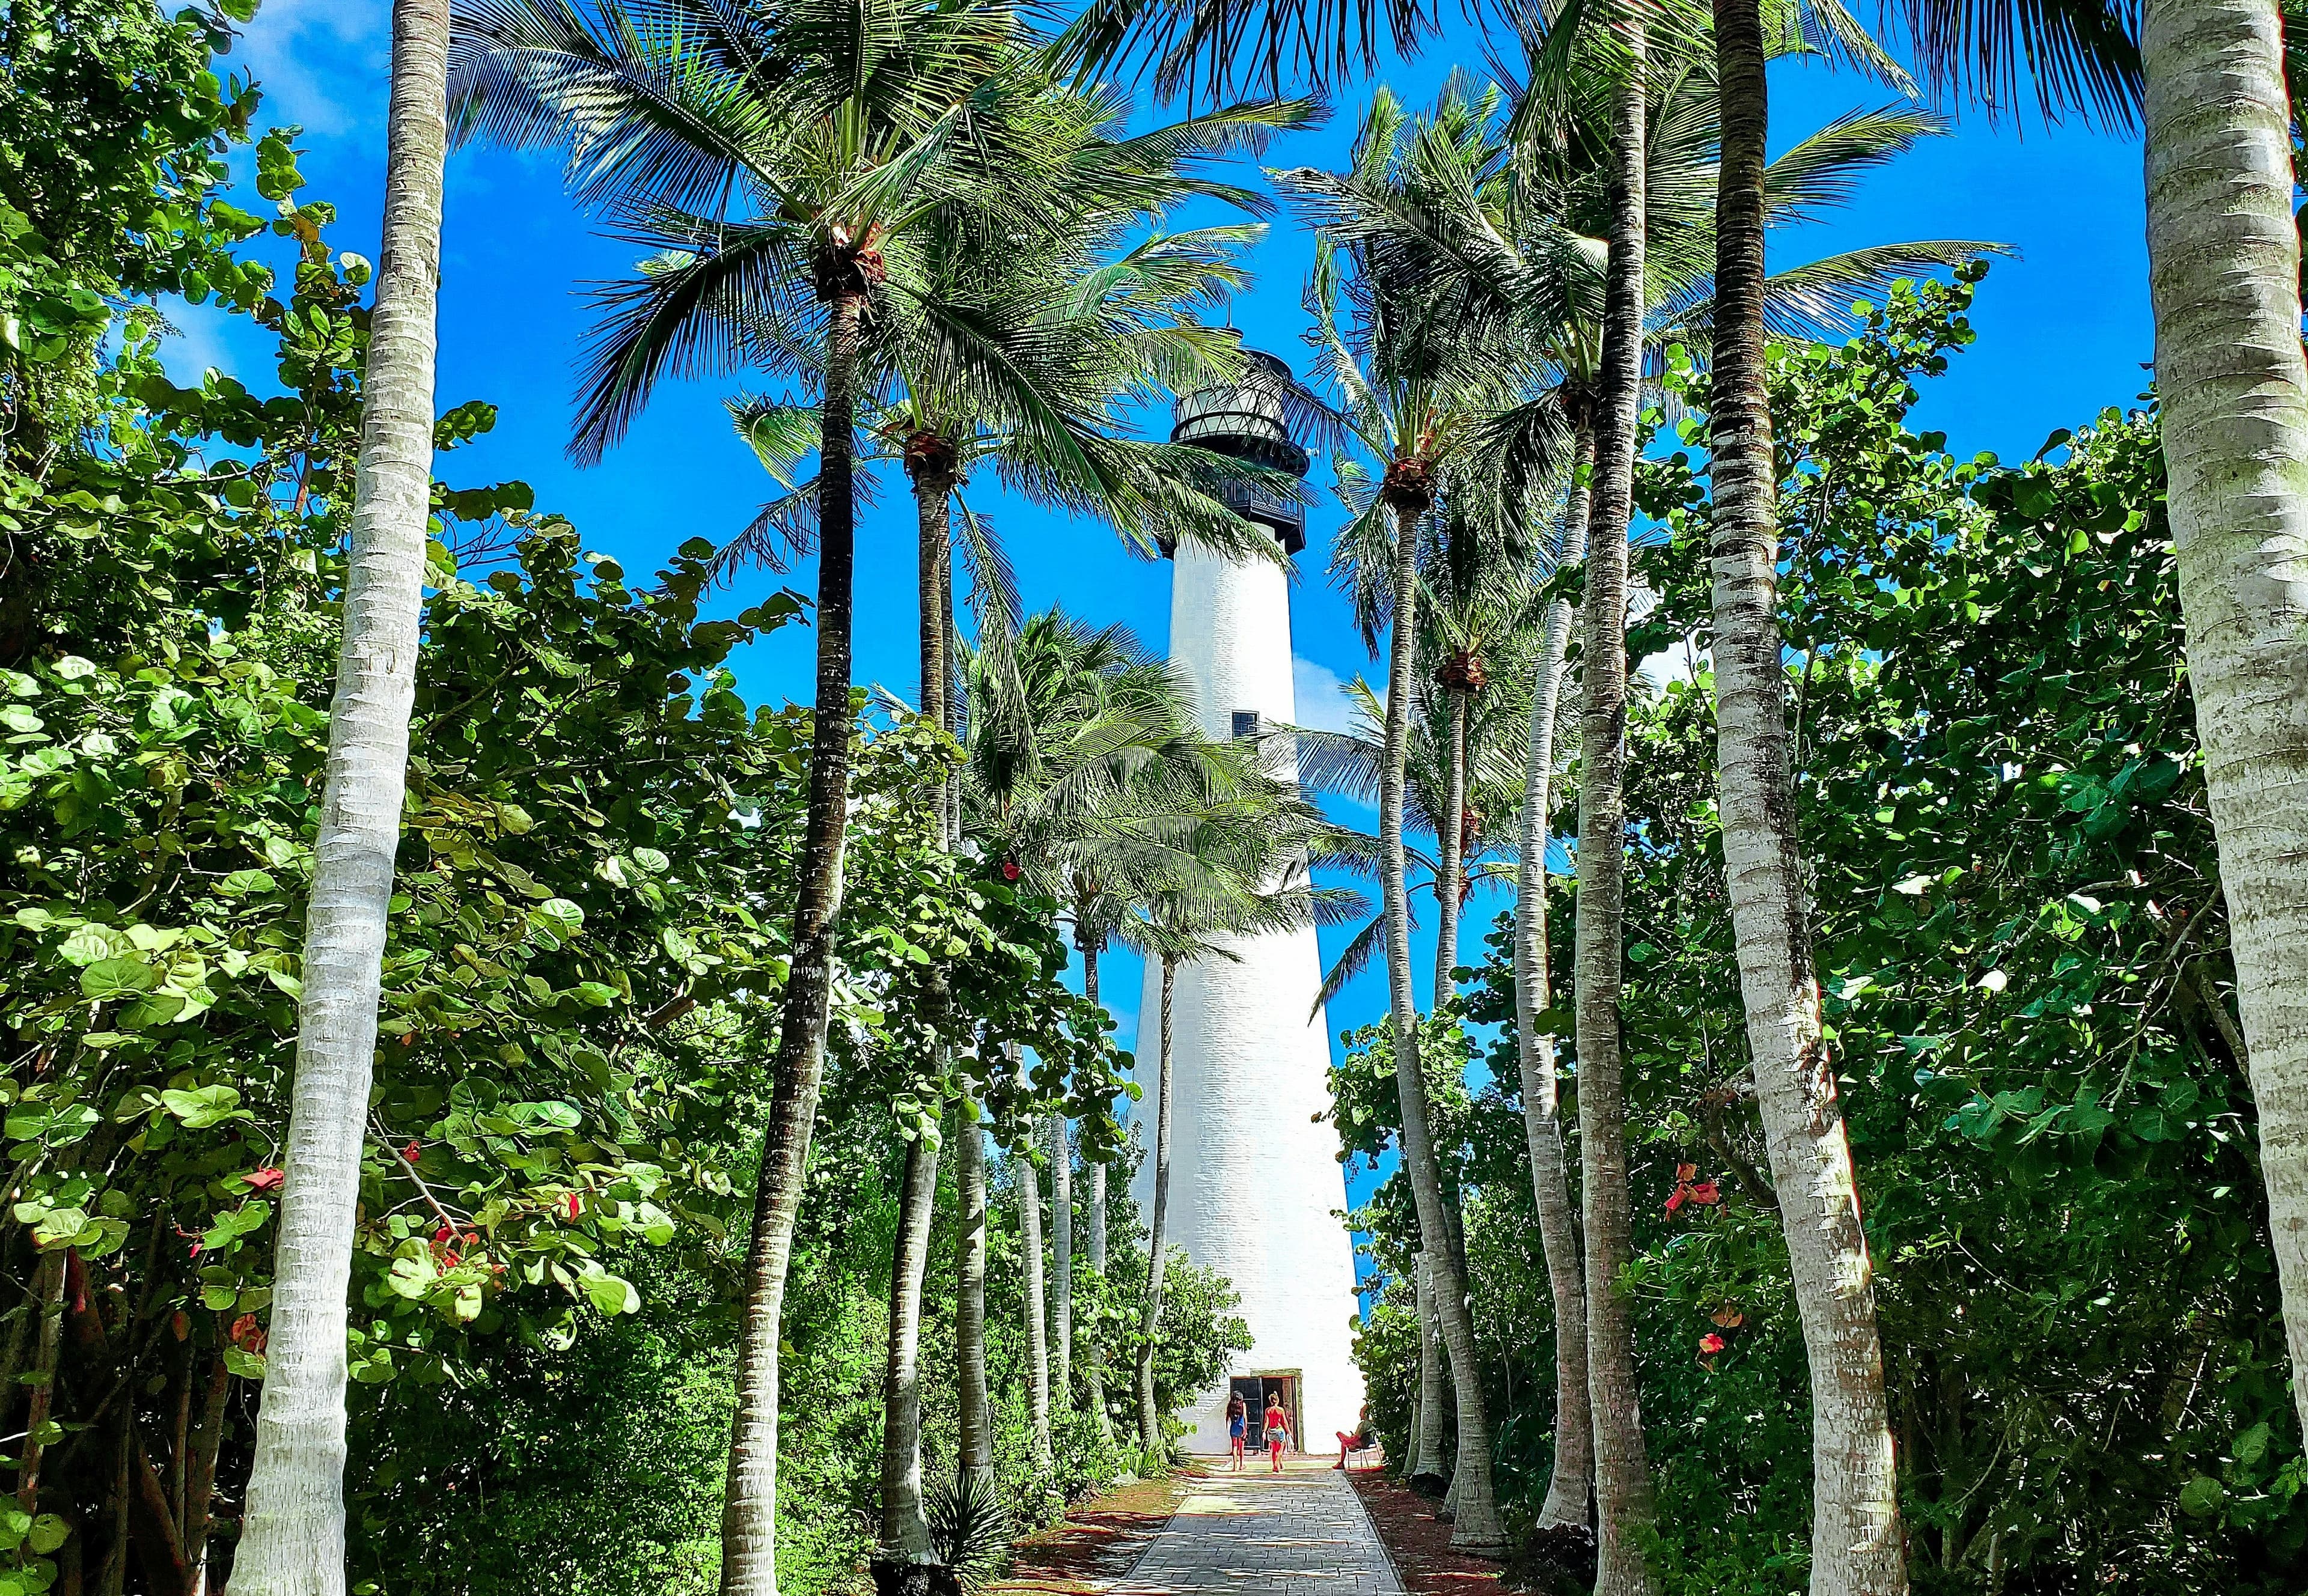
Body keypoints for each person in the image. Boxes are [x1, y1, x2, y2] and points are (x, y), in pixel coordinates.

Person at [1264, 1393, 1289, 1472]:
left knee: (1274, 1449)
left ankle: (1275, 1465)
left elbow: (1266, 1422)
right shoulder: (1281, 1410)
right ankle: (1276, 1464)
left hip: (1271, 1431)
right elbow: (1284, 1422)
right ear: (1277, 1400)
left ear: (1270, 1401)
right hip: (1279, 1430)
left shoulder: (1268, 1410)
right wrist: (1289, 1432)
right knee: (1281, 1448)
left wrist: (1264, 1431)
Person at [1226, 1390, 1248, 1471]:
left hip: (1233, 1427)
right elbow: (1245, 1417)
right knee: (1241, 1447)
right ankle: (1241, 1465)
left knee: (1235, 1447)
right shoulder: (1243, 1405)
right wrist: (1245, 1430)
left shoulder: (1230, 1405)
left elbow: (1228, 1417)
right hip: (1241, 1426)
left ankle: (1235, 1466)